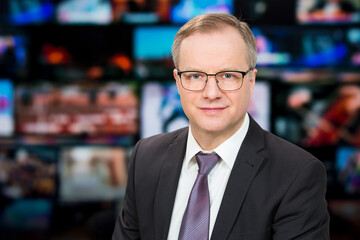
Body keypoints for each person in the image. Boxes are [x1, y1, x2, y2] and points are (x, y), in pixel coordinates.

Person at [112, 13, 330, 240]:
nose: (211, 93)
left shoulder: (298, 174)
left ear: (251, 81)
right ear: (178, 82)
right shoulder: (145, 158)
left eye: (228, 75)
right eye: (195, 76)